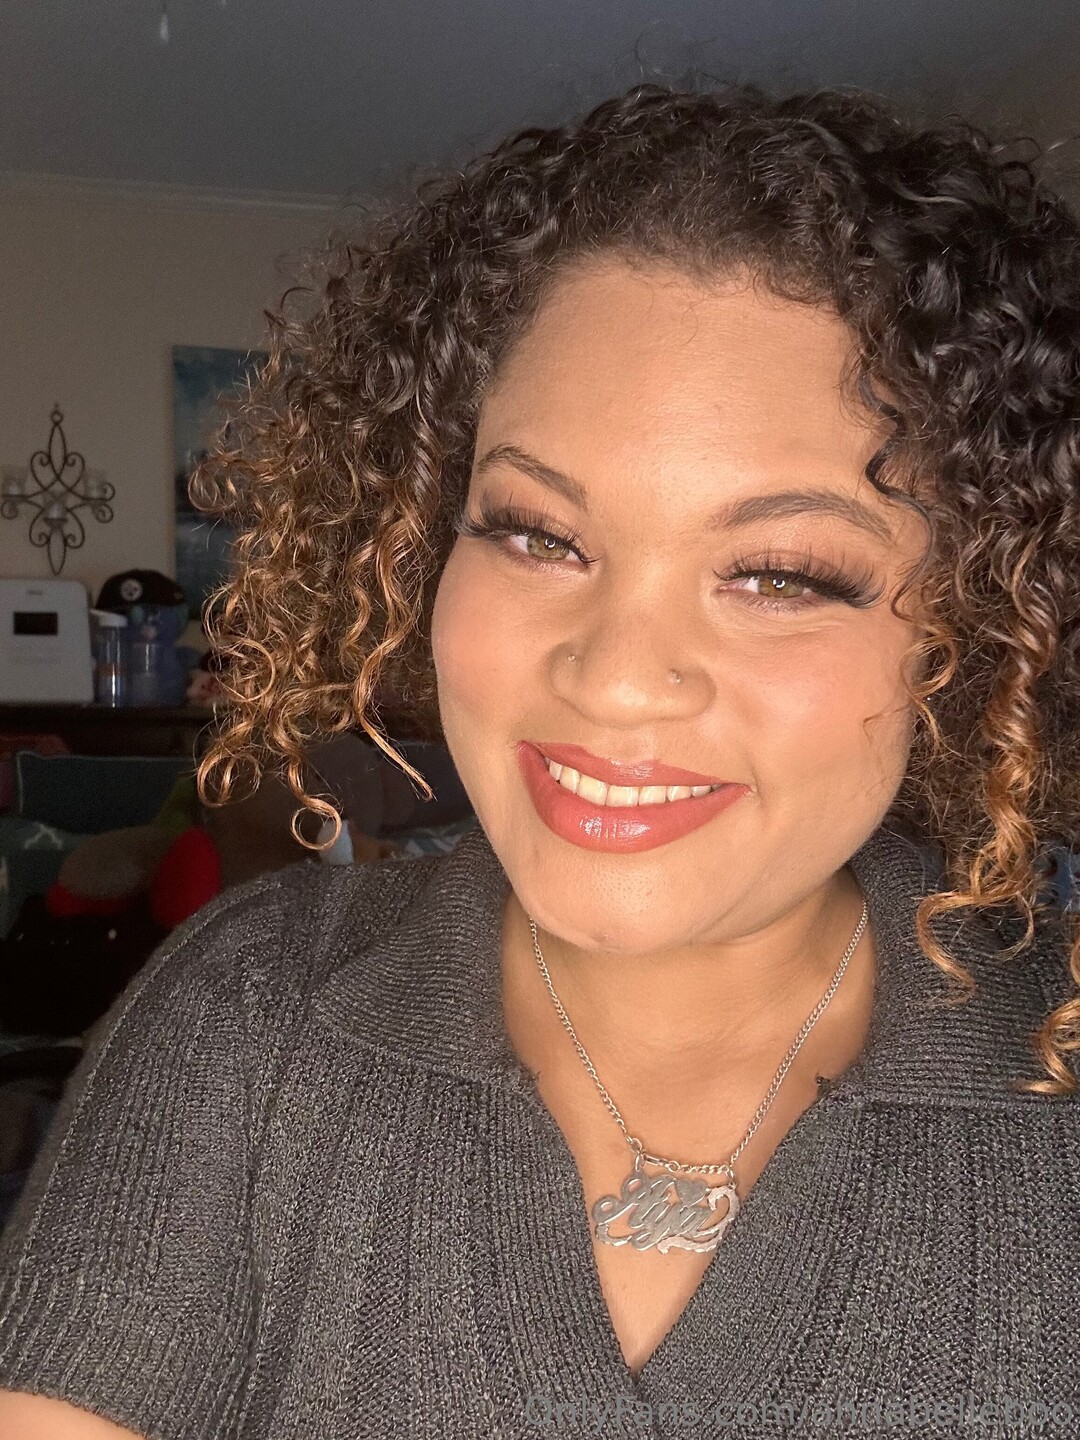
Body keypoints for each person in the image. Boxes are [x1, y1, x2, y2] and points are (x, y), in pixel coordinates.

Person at [0, 81, 1078, 1439]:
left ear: (981, 634)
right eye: (536, 533)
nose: (614, 676)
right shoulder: (252, 1013)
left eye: (783, 575)